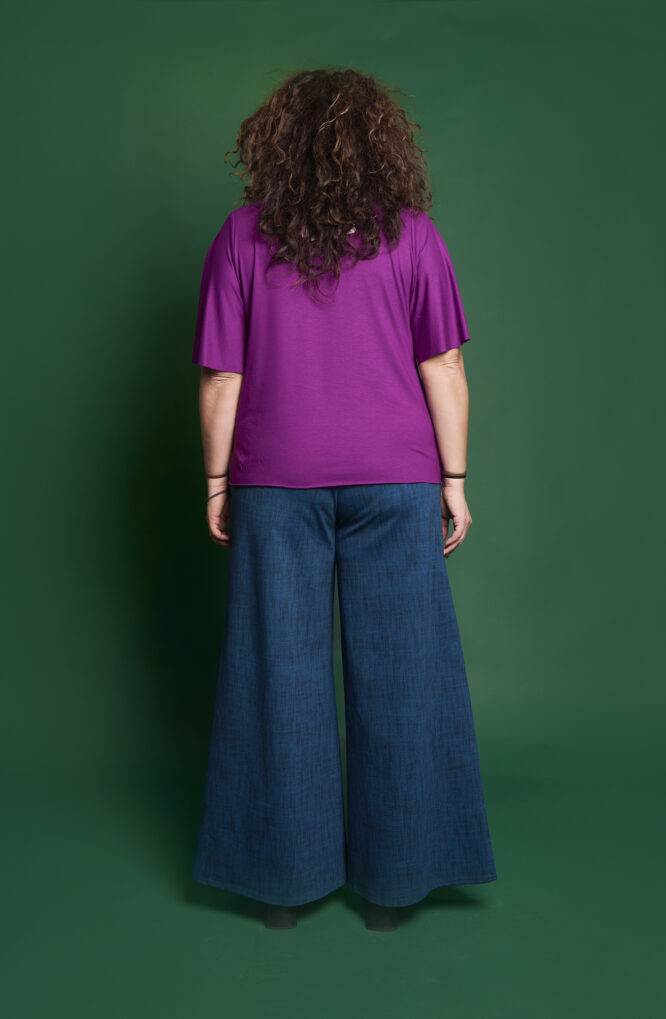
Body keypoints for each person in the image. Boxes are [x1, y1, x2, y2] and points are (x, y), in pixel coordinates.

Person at [190, 67, 497, 933]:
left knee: (275, 678)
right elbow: (444, 364)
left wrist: (217, 480)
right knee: (404, 675)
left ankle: (281, 889)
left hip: (274, 480)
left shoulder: (242, 235)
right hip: (396, 479)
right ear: (382, 144)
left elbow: (222, 376)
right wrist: (455, 480)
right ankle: (395, 888)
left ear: (277, 144)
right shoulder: (414, 236)